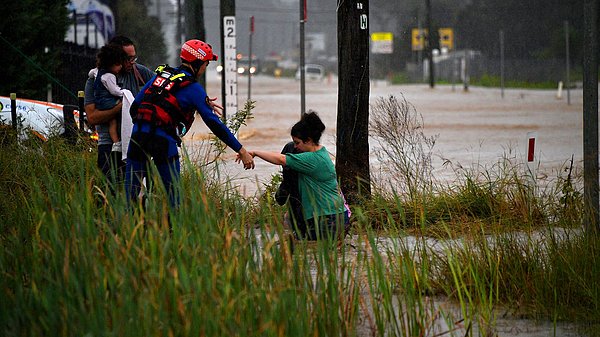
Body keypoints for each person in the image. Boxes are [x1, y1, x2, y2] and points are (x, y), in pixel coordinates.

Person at [125, 39, 254, 209]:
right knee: (173, 198)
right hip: (163, 142)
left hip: (137, 137)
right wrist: (241, 150)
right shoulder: (193, 88)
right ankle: (172, 232)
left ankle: (125, 229)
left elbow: (134, 108)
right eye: (206, 64)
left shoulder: (161, 77)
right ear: (198, 62)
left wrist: (146, 128)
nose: (204, 68)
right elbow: (214, 123)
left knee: (129, 195)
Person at [241, 111, 350, 241]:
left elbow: (281, 159)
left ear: (308, 140)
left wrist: (254, 152)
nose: (295, 147)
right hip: (334, 215)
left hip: (328, 219)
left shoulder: (312, 159)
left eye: (297, 143)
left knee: (314, 254)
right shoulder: (321, 152)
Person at [84, 36, 154, 186]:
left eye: (134, 57)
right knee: (109, 192)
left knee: (138, 194)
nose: (132, 62)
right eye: (128, 58)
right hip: (108, 146)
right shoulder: (96, 79)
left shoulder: (138, 72)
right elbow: (92, 117)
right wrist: (121, 107)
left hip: (136, 143)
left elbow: (162, 86)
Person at [88, 44, 128, 154]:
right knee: (115, 120)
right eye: (118, 64)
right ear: (110, 64)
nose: (120, 67)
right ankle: (117, 142)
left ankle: (116, 142)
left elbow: (90, 73)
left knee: (111, 122)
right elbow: (114, 90)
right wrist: (123, 93)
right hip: (108, 102)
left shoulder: (97, 72)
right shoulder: (110, 76)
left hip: (99, 101)